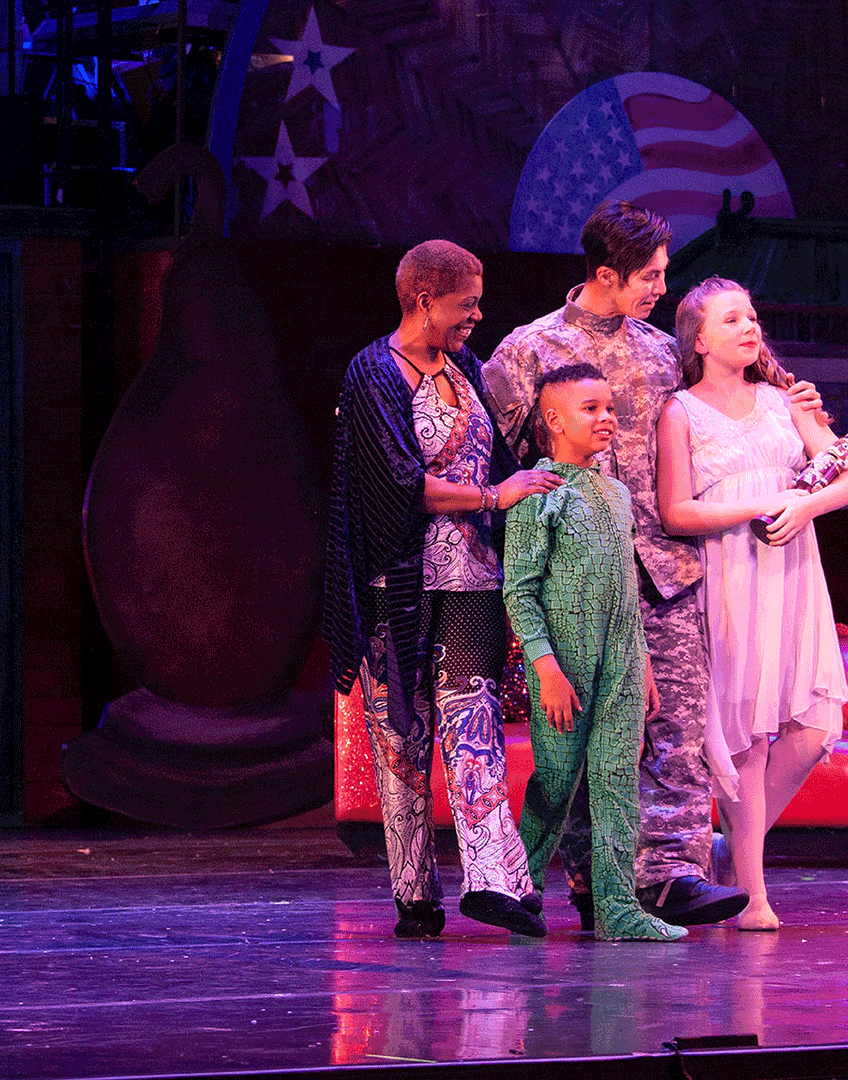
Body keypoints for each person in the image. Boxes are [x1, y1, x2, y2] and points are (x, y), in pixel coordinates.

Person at [484, 202, 758, 928]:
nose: (662, 289)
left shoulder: (665, 352)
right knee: (584, 738)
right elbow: (496, 461)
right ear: (606, 274)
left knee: (679, 730)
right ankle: (591, 879)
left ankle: (673, 875)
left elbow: (727, 401)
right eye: (649, 277)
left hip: (664, 567)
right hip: (577, 575)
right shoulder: (525, 352)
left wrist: (793, 405)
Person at [325, 239, 564, 939]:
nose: (477, 316)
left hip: (472, 583)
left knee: (474, 721)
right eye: (467, 304)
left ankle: (494, 881)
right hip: (397, 584)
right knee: (401, 738)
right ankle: (414, 894)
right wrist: (492, 497)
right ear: (424, 300)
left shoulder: (466, 369)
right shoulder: (373, 373)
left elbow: (502, 457)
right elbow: (398, 484)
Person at [656, 277, 848, 930]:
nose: (749, 327)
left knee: (815, 732)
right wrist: (762, 503)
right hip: (731, 575)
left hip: (793, 572)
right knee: (747, 735)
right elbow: (676, 510)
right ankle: (753, 895)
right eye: (731, 319)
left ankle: (732, 851)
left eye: (751, 316)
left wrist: (804, 506)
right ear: (698, 340)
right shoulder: (680, 412)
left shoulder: (785, 400)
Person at [503, 363, 686, 942]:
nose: (607, 418)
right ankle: (519, 892)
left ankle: (617, 907)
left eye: (610, 407)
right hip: (564, 662)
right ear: (554, 421)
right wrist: (547, 669)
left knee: (616, 781)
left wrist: (644, 664)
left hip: (623, 662)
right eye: (591, 409)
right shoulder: (538, 493)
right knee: (557, 782)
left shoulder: (617, 493)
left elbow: (626, 588)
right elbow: (520, 591)